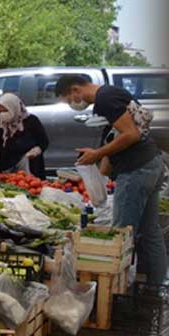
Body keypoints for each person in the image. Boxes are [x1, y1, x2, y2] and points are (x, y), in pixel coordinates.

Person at [55, 74, 166, 284]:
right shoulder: (111, 95)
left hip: (137, 170)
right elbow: (120, 136)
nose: (72, 104)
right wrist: (100, 154)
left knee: (120, 236)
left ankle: (115, 293)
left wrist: (96, 155)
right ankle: (156, 288)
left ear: (75, 90)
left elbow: (130, 134)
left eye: (69, 100)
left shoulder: (105, 98)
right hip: (150, 163)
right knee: (150, 232)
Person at [0, 93, 48, 178]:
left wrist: (35, 151)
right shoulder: (0, 124)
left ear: (14, 108)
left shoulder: (32, 121)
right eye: (0, 111)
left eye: (5, 111)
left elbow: (44, 142)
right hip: (6, 168)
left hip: (31, 168)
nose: (2, 114)